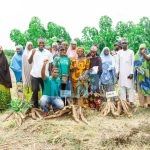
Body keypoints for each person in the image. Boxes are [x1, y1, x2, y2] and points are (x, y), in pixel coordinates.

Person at [28, 38, 53, 108]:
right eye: (40, 43)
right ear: (37, 43)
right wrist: (32, 54)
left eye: (43, 43)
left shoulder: (48, 52)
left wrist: (50, 74)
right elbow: (29, 62)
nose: (41, 44)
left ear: (44, 44)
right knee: (35, 90)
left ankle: (45, 106)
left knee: (45, 91)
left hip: (45, 75)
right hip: (34, 74)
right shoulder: (33, 51)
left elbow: (51, 64)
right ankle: (35, 106)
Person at [116, 38, 135, 105]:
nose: (124, 44)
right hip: (121, 73)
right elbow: (117, 63)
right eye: (123, 43)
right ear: (121, 44)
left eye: (125, 43)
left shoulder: (131, 52)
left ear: (127, 44)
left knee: (130, 87)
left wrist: (131, 73)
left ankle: (131, 102)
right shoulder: (119, 52)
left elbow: (132, 63)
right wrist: (117, 73)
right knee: (122, 87)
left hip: (129, 73)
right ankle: (123, 103)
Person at [0, 46, 12, 110]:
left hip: (3, 78)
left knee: (3, 90)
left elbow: (5, 69)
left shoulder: (3, 58)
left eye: (0, 50)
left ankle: (5, 105)